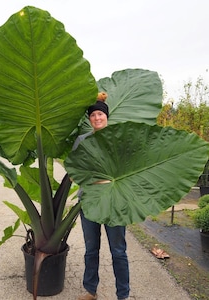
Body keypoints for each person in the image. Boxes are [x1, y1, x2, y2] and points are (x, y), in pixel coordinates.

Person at [74, 93, 130, 300]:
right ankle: (90, 290)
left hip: (114, 202)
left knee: (118, 251)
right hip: (89, 201)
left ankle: (123, 295)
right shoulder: (82, 140)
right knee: (91, 249)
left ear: (106, 116)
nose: (97, 118)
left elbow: (125, 170)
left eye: (100, 114)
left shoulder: (118, 139)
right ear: (90, 119)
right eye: (93, 115)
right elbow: (75, 170)